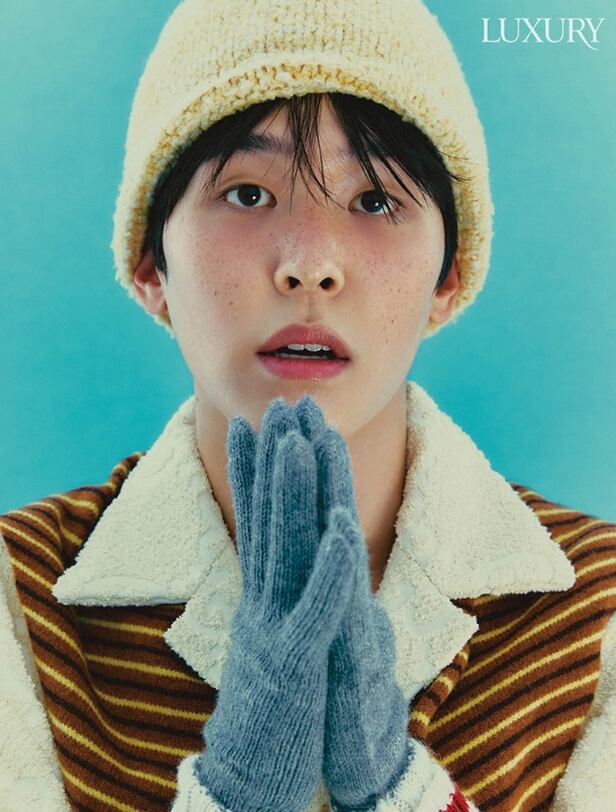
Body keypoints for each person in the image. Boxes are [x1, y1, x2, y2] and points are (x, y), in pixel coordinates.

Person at [1, 0, 614, 810]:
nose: (311, 265)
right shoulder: (19, 593)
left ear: (450, 274)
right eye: (247, 193)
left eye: (375, 200)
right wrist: (239, 795)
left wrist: (401, 793)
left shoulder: (599, 608)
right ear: (150, 263)